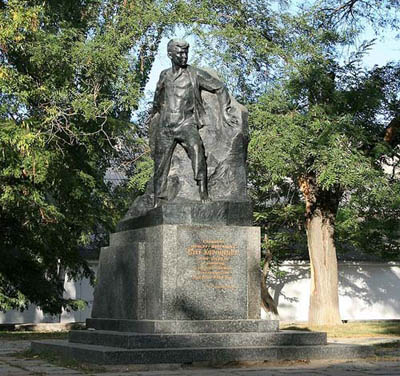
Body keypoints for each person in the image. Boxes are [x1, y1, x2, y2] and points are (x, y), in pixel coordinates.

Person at [151, 38, 236, 207]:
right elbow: (156, 100)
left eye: (186, 53)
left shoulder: (195, 74)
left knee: (198, 152)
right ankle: (157, 201)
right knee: (160, 166)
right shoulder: (164, 75)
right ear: (170, 55)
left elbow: (220, 87)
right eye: (180, 53)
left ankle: (203, 192)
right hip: (166, 126)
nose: (184, 56)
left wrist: (225, 112)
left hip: (186, 124)